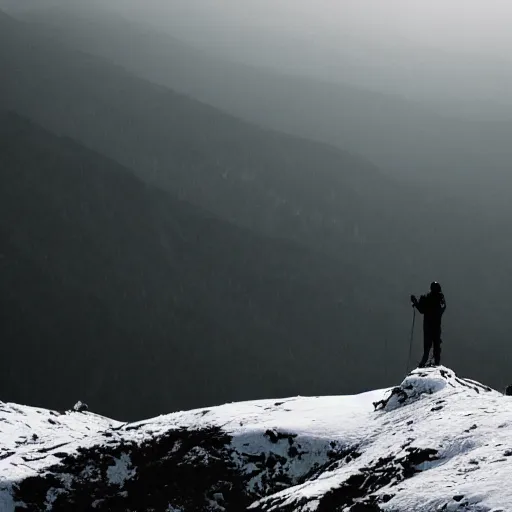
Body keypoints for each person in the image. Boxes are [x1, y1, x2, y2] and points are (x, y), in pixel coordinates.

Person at [410, 281, 446, 368]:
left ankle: (424, 363)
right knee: (436, 345)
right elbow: (443, 307)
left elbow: (421, 310)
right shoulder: (440, 299)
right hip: (436, 325)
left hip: (428, 326)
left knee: (427, 346)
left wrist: (415, 302)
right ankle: (435, 363)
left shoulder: (427, 298)